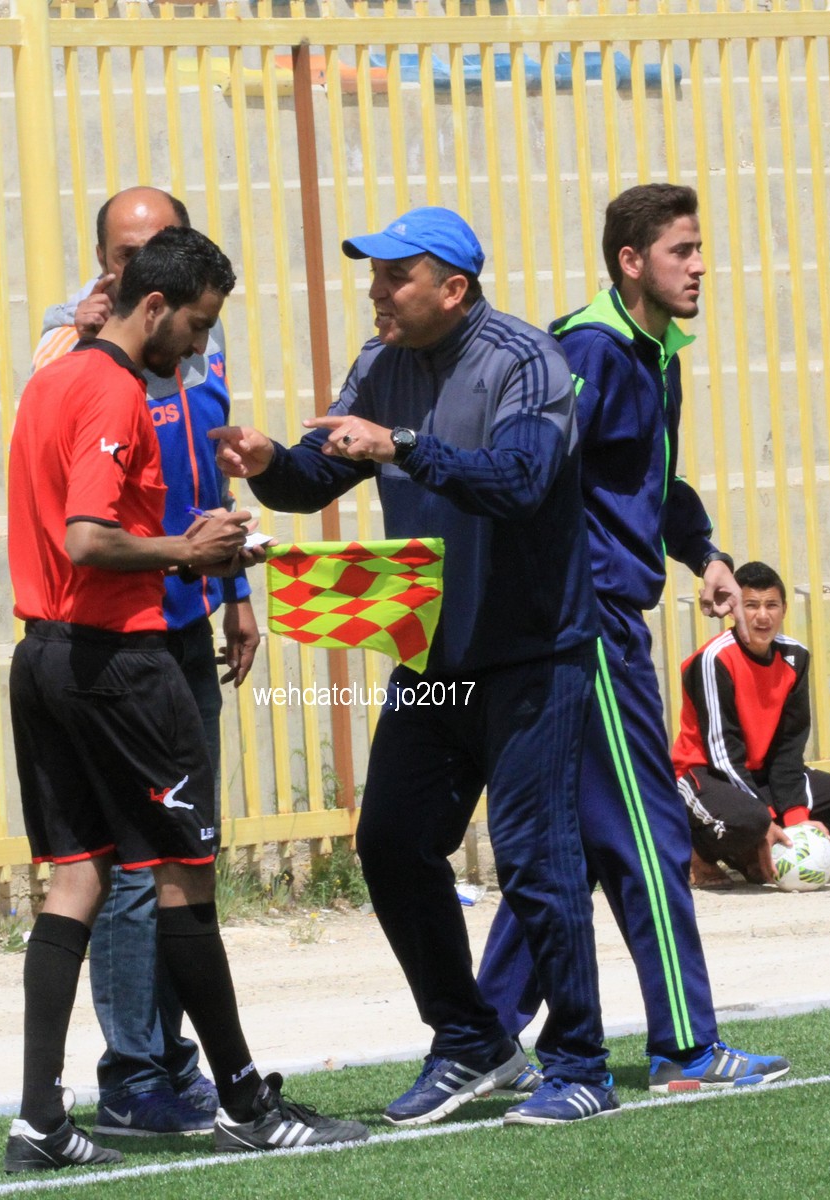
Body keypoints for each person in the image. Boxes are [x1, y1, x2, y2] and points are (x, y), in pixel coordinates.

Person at [212, 206, 618, 1128]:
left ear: (454, 289)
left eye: (396, 275)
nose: (377, 290)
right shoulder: (382, 362)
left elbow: (521, 482)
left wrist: (402, 446)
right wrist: (270, 461)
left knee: (534, 856)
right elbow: (319, 475)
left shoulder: (527, 361)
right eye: (375, 273)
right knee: (392, 841)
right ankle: (472, 1040)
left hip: (535, 656)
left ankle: (581, 1064)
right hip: (435, 658)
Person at [4, 224, 369, 1170]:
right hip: (120, 664)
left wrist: (201, 550)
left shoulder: (51, 378)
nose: (200, 346)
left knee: (78, 878)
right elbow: (88, 537)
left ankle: (40, 1120)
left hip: (44, 659)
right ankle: (245, 1102)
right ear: (155, 305)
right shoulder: (115, 389)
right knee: (183, 874)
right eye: (197, 326)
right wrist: (188, 552)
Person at [476, 184, 792, 1094]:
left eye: (699, 248)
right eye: (681, 250)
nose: (700, 266)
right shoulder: (591, 351)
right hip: (587, 625)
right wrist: (560, 599)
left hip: (600, 617)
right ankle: (686, 1047)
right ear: (630, 261)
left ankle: (481, 1033)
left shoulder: (655, 355)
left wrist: (703, 554)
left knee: (576, 840)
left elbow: (649, 478)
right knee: (651, 832)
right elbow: (530, 472)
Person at [32, 186, 259, 1138]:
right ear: (111, 266)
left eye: (163, 243)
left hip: (179, 626)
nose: (145, 263)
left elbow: (207, 469)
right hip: (113, 641)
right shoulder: (77, 354)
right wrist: (181, 555)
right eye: (129, 252)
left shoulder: (194, 342)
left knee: (172, 856)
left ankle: (132, 1071)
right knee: (141, 866)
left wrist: (232, 588)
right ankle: (139, 1069)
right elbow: (82, 528)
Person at [674, 560, 830, 885]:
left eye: (771, 605)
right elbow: (723, 755)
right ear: (734, 609)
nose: (762, 616)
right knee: (752, 819)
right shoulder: (714, 660)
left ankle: (759, 849)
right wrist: (769, 819)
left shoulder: (795, 657)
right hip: (705, 774)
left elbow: (788, 748)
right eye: (751, 605)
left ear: (784, 609)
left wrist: (796, 819)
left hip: (761, 775)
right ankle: (699, 853)